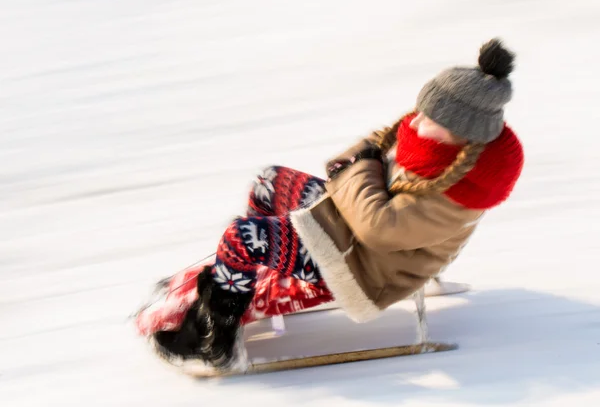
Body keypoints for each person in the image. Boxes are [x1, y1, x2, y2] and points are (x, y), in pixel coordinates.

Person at [147, 38, 525, 375]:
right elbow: (358, 155)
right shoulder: (430, 137)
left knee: (242, 237)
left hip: (367, 269)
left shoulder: (460, 191)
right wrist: (360, 166)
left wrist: (361, 167)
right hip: (347, 228)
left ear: (461, 133)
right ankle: (259, 274)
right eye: (423, 109)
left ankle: (217, 341)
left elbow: (378, 226)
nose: (417, 119)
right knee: (267, 182)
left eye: (430, 117)